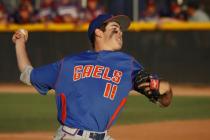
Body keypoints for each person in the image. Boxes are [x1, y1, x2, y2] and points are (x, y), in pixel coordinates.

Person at [12, 14, 173, 140]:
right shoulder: (69, 63)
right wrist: (20, 43)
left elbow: (164, 99)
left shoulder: (128, 64)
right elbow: (29, 74)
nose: (120, 33)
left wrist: (162, 88)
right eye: (115, 28)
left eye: (121, 30)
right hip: (71, 136)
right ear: (98, 32)